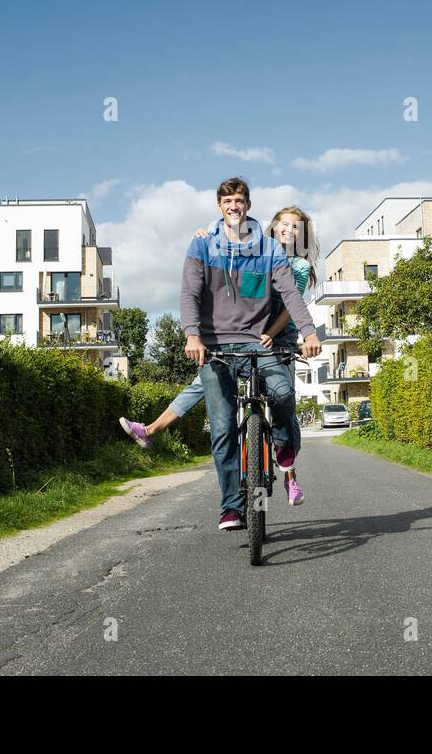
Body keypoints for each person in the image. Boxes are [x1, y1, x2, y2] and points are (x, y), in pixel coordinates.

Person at [118, 205, 319, 506]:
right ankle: (150, 430)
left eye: (295, 227)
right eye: (283, 224)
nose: (287, 231)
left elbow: (290, 307)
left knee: (282, 399)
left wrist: (273, 335)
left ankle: (290, 474)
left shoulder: (299, 267)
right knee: (204, 380)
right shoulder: (257, 254)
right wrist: (208, 235)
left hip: (279, 339)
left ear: (302, 236)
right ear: (273, 227)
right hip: (246, 336)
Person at [179, 178, 321, 530]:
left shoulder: (269, 249)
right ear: (219, 206)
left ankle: (284, 446)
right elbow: (189, 294)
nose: (233, 205)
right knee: (223, 428)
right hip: (214, 346)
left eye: (239, 199)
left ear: (248, 205)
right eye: (227, 200)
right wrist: (192, 335)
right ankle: (232, 506)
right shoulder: (201, 246)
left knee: (284, 392)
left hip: (256, 342)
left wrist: (309, 331)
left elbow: (290, 294)